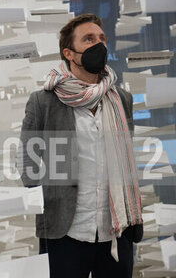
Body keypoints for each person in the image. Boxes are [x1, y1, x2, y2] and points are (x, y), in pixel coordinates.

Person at [19, 14, 143, 277]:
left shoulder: (122, 98)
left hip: (116, 229)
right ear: (70, 53)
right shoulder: (43, 101)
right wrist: (49, 197)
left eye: (102, 39)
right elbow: (26, 161)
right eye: (88, 39)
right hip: (65, 230)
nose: (99, 45)